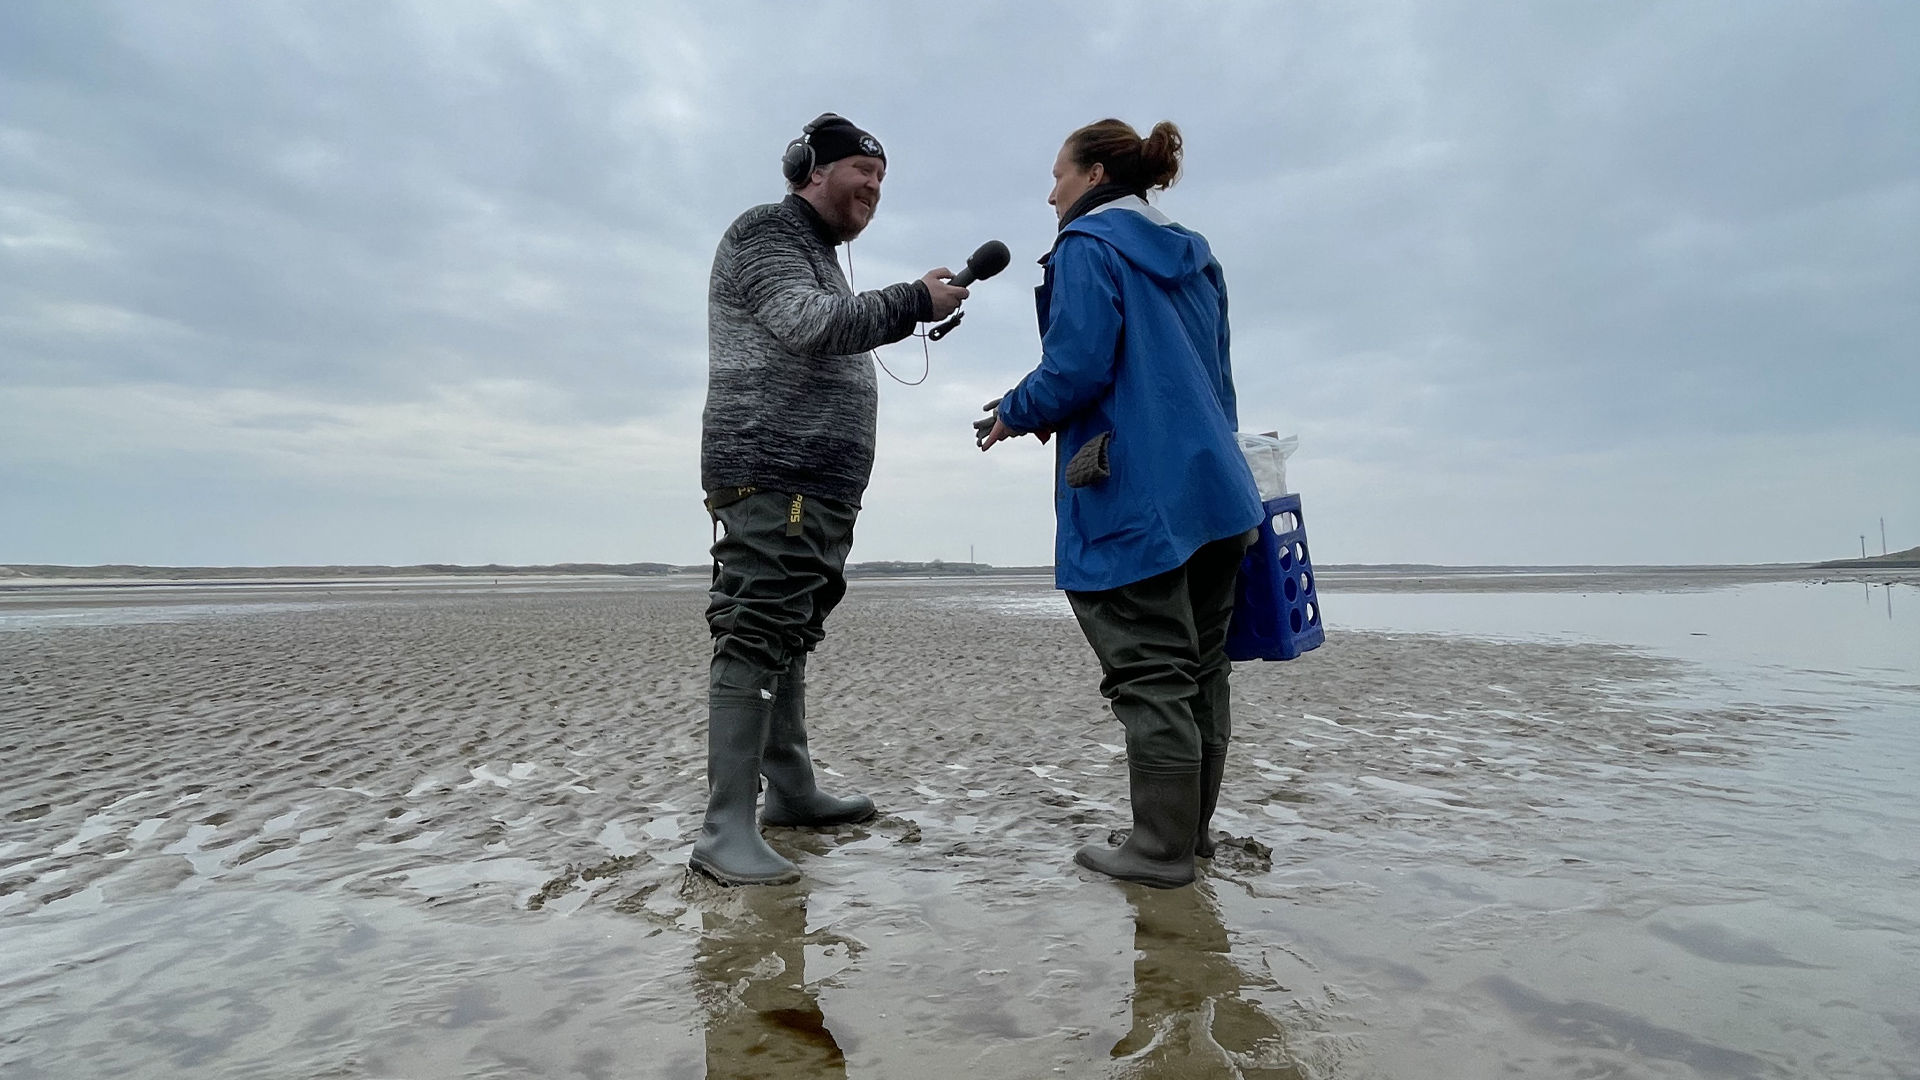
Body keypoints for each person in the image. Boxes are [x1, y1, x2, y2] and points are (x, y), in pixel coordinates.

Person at [977, 118, 1262, 889]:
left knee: (1151, 671)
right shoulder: (1197, 255)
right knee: (1202, 668)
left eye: (1059, 175)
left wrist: (1014, 409)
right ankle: (1186, 838)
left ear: (1096, 175)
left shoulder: (1087, 246)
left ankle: (1160, 850)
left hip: (1138, 490)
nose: (1050, 191)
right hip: (1222, 492)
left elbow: (1075, 366)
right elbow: (1222, 383)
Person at [694, 113, 970, 886]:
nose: (874, 190)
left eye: (882, 182)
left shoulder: (819, 255)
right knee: (755, 631)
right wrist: (912, 298)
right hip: (770, 471)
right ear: (809, 168)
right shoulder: (765, 236)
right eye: (862, 174)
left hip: (818, 484)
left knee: (791, 630)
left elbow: (834, 319)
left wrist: (911, 301)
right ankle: (724, 830)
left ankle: (791, 790)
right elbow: (809, 325)